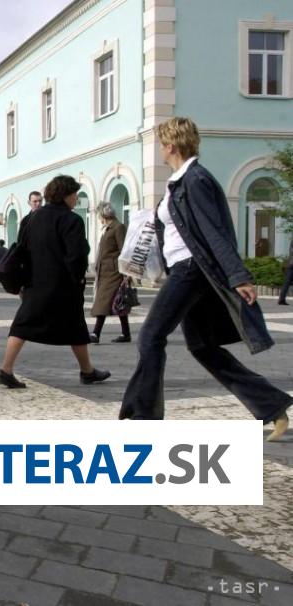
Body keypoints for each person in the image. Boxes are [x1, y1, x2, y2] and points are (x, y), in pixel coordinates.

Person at [118, 117, 289, 441]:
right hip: (183, 268)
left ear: (171, 145)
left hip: (191, 269)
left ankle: (144, 417)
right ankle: (272, 405)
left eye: (161, 143)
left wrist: (238, 275)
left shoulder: (195, 179)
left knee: (151, 336)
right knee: (202, 346)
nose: (160, 149)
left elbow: (215, 230)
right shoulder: (179, 181)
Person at [0, 175, 110, 389]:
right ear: (65, 195)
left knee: (22, 326)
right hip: (63, 285)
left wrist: (23, 281)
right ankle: (87, 372)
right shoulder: (71, 220)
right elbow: (76, 255)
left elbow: (22, 249)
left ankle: (6, 370)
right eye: (74, 194)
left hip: (34, 282)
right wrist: (78, 277)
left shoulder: (31, 218)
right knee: (75, 326)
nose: (76, 198)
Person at [90, 203, 131, 343]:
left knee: (103, 302)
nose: (98, 218)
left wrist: (126, 273)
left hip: (114, 272)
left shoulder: (118, 227)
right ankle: (126, 334)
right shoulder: (108, 228)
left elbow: (123, 250)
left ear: (103, 215)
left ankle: (95, 333)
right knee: (118, 302)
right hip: (105, 272)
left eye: (99, 215)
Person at [279, 239, 293, 305]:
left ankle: (281, 300)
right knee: (286, 283)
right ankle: (281, 299)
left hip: (290, 264)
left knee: (286, 282)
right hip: (291, 265)